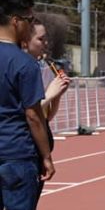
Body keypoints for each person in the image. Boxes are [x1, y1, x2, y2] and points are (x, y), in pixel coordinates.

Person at [0, 0, 56, 210]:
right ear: (16, 21)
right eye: (30, 20)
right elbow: (34, 115)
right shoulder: (23, 63)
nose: (32, 26)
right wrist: (46, 156)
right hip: (16, 152)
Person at [21, 18, 70, 152]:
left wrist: (58, 94)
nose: (45, 43)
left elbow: (47, 117)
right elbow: (26, 112)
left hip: (40, 138)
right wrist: (49, 95)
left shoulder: (42, 68)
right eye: (40, 39)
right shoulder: (21, 69)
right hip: (24, 142)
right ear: (25, 42)